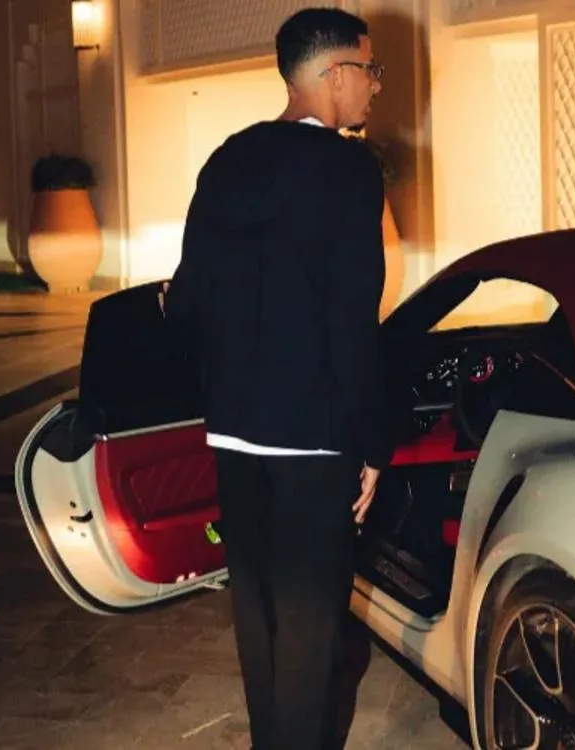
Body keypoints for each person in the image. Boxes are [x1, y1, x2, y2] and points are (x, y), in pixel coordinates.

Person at [163, 7, 390, 750]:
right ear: (332, 75)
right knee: (311, 634)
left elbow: (189, 298)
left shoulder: (227, 160)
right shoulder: (349, 171)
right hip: (312, 439)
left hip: (233, 433)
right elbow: (353, 318)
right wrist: (372, 446)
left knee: (258, 624)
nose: (375, 85)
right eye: (369, 69)